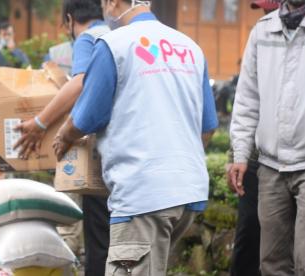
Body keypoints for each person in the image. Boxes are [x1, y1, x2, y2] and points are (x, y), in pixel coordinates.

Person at [53, 0, 218, 274]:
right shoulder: (189, 47)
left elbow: (85, 117)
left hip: (142, 198)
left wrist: (63, 136)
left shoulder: (114, 45)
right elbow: (208, 128)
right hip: (188, 194)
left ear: (114, 2)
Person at [14, 1, 111, 274]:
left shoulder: (88, 38)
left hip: (103, 151)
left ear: (69, 20)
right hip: (131, 151)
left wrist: (39, 122)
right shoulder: (118, 34)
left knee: (99, 237)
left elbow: (80, 83)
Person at [230, 0, 305, 274]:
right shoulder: (263, 30)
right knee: (271, 263)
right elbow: (248, 97)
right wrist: (240, 154)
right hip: (271, 166)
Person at [227, 2, 280, 276]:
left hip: (284, 162)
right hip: (255, 162)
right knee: (249, 236)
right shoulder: (260, 37)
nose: (265, 16)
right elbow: (245, 103)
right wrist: (234, 156)